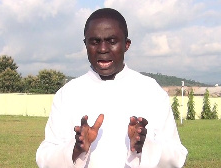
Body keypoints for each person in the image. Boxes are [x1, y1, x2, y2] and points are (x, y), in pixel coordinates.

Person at [36, 8, 188, 168]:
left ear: (126, 44)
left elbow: (176, 157)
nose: (102, 49)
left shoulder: (151, 91)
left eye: (112, 41)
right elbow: (45, 158)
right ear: (85, 44)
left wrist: (145, 146)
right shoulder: (67, 94)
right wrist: (76, 149)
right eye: (94, 41)